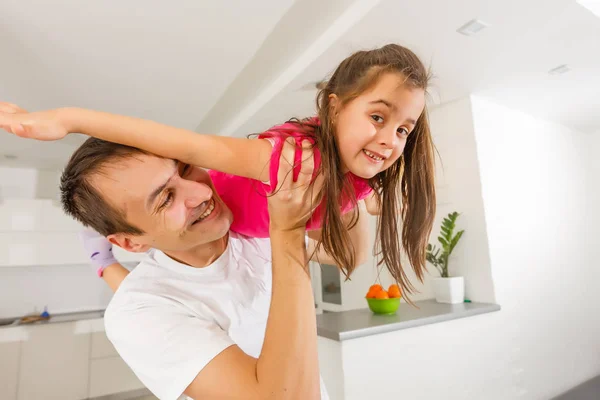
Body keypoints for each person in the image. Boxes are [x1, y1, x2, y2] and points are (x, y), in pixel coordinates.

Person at [0, 43, 437, 298]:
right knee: (151, 274)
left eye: (403, 128)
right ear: (336, 107)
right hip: (238, 214)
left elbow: (356, 233)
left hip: (263, 228)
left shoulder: (365, 167)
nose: (390, 139)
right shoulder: (286, 157)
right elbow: (184, 143)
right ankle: (101, 256)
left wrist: (374, 198)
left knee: (351, 255)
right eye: (378, 118)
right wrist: (69, 119)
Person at [45, 135, 339, 399]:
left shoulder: (247, 223)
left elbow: (345, 254)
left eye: (186, 169)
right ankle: (104, 261)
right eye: (166, 199)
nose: (202, 193)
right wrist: (287, 230)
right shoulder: (136, 313)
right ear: (131, 242)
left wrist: (349, 184)